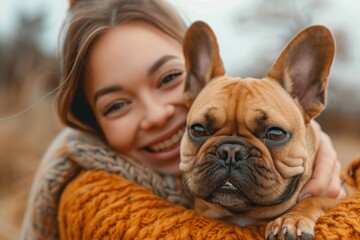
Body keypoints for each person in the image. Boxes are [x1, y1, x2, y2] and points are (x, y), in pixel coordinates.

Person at [20, 0, 345, 239]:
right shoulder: (96, 201)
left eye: (168, 77)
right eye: (116, 105)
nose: (156, 115)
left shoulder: (304, 142)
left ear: (193, 76)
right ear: (92, 125)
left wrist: (307, 139)